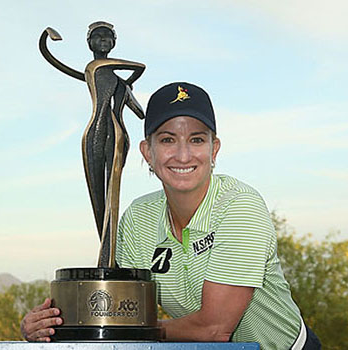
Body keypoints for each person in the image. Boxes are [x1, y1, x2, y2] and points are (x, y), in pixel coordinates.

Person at [21, 82, 322, 349]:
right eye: (167, 140)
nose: (182, 155)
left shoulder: (240, 206)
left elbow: (214, 329)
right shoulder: (138, 218)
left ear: (214, 149)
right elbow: (122, 310)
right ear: (147, 152)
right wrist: (52, 326)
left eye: (196, 140)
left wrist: (124, 332)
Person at [40, 21, 145, 266]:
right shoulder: (95, 67)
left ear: (114, 41)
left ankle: (109, 259)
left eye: (108, 36)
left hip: (118, 136)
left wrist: (127, 88)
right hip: (95, 134)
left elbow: (139, 111)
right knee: (97, 195)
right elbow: (139, 67)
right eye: (98, 36)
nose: (103, 40)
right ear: (89, 43)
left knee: (112, 195)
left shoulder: (119, 83)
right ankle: (108, 258)